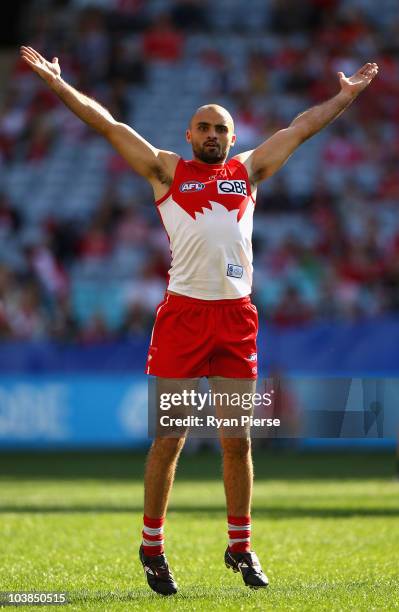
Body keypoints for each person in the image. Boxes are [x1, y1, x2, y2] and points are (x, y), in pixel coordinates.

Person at [20, 45, 378, 595]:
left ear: (233, 139)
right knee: (170, 439)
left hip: (237, 319)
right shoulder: (166, 170)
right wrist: (58, 85)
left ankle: (240, 546)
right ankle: (152, 547)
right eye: (203, 127)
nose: (212, 134)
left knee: (238, 440)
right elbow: (109, 125)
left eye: (221, 129)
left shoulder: (250, 170)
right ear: (189, 135)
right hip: (183, 317)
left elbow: (301, 128)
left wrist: (344, 96)